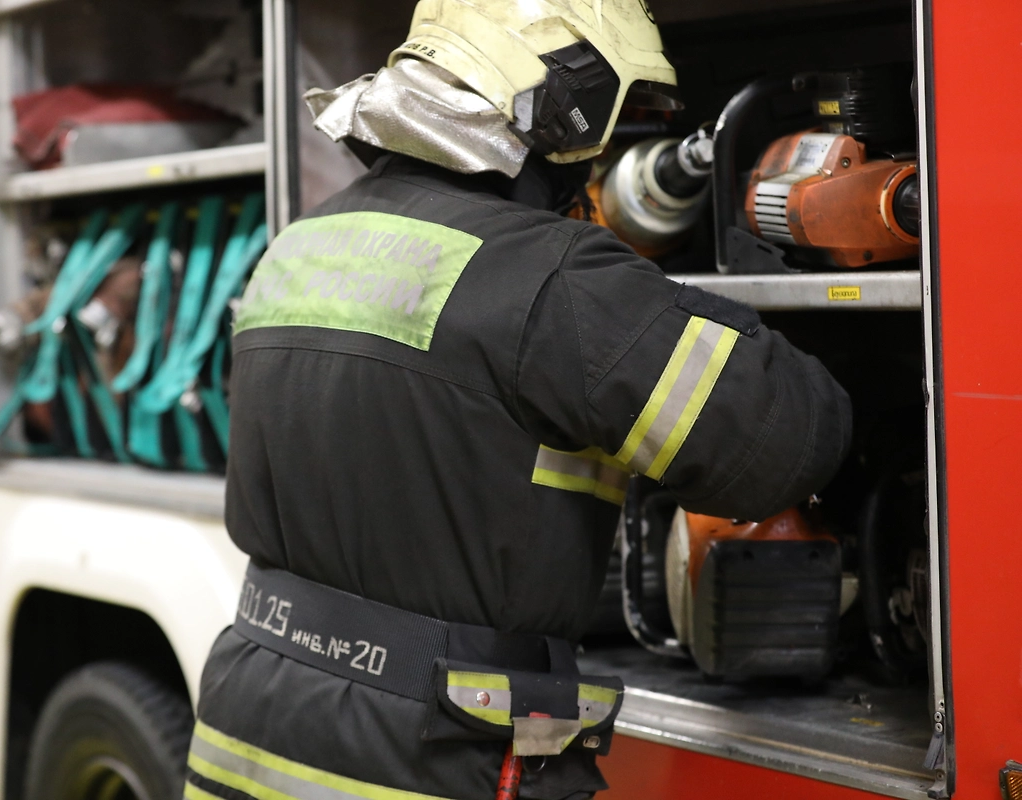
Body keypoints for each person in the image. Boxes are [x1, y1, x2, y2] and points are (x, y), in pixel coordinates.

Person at [184, 1, 852, 799]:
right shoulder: (553, 277)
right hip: (434, 754)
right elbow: (780, 444)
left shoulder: (298, 246)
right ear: (565, 105)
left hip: (250, 722)